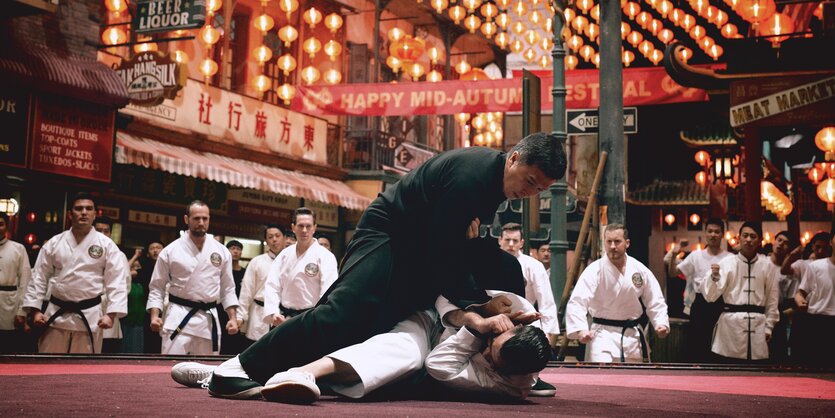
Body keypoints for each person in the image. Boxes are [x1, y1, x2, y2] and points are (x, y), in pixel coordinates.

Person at [203, 132, 565, 399]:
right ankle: (238, 368)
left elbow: (454, 243)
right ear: (515, 158)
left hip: (416, 248)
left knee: (505, 266)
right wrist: (475, 304)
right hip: (389, 232)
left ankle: (519, 361)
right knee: (346, 310)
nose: (530, 192)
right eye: (530, 181)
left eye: (540, 190)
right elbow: (444, 249)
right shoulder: (474, 174)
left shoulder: (494, 184)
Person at [22, 193, 128, 354]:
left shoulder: (107, 245)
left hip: (90, 316)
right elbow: (39, 277)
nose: (84, 212)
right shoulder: (55, 243)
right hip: (56, 314)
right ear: (70, 214)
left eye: (88, 209)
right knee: (49, 366)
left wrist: (111, 315)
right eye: (79, 209)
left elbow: (116, 281)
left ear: (95, 214)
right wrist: (35, 310)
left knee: (83, 370)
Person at [566, 224, 670, 363]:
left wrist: (660, 322)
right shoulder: (595, 270)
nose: (613, 246)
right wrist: (581, 330)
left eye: (617, 241)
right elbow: (578, 302)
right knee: (603, 379)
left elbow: (655, 299)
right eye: (609, 242)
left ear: (627, 243)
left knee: (632, 381)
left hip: (631, 336)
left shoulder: (639, 269)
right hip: (602, 336)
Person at [146, 200, 239, 355]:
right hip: (178, 316)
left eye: (205, 218)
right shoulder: (170, 251)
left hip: (208, 321)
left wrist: (233, 318)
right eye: (196, 218)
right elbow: (157, 286)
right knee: (170, 369)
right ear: (186, 219)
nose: (201, 222)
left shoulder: (222, 252)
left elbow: (228, 288)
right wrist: (155, 316)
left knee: (205, 373)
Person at [703, 222, 780, 362]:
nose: (749, 240)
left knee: (757, 377)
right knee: (730, 374)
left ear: (760, 241)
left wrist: (769, 326)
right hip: (730, 325)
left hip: (758, 324)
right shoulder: (726, 263)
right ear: (739, 238)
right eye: (745, 235)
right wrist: (714, 278)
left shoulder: (767, 266)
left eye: (753, 236)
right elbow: (710, 296)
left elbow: (772, 300)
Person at [664, 218, 730, 362]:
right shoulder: (696, 255)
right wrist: (674, 254)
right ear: (705, 233)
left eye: (717, 232)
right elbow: (673, 273)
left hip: (722, 303)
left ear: (722, 235)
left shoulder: (729, 258)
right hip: (700, 303)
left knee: (720, 345)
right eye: (710, 231)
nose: (713, 235)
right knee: (697, 345)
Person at [263, 208, 338, 327]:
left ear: (314, 227)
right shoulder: (284, 255)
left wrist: (319, 319)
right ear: (293, 227)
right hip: (282, 317)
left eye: (308, 226)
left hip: (310, 319)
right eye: (300, 226)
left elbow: (328, 292)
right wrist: (273, 312)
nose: (304, 230)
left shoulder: (326, 256)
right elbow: (272, 285)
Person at [497, 223, 559, 358]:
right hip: (497, 320)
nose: (511, 244)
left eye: (515, 241)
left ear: (522, 243)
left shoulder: (533, 265)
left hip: (528, 319)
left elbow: (545, 300)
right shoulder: (491, 263)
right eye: (507, 240)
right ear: (500, 240)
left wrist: (547, 331)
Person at [236, 224, 285, 350]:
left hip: (284, 313)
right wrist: (240, 317)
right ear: (266, 240)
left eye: (277, 236)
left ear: (284, 238)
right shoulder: (256, 262)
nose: (274, 239)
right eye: (270, 237)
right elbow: (246, 291)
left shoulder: (290, 261)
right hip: (259, 313)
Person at [792, 230, 835, 368]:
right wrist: (800, 301)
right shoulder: (816, 266)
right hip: (817, 323)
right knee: (814, 369)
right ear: (831, 242)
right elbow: (801, 293)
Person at [94, 216, 131, 353]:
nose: (103, 234)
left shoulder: (119, 255)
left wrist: (104, 300)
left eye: (106, 231)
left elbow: (125, 286)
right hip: (85, 307)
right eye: (99, 230)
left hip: (108, 308)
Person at [0, 213, 32, 353]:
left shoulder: (18, 248)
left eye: (0, 224)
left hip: (9, 303)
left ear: (7, 226)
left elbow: (25, 281)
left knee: (6, 345)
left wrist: (22, 311)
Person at [767, 231, 798, 362]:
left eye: (785, 243)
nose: (780, 244)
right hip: (761, 310)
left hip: (779, 312)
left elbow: (791, 297)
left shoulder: (790, 271)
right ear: (774, 241)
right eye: (779, 240)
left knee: (778, 354)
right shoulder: (763, 262)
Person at [219, 240, 246, 355]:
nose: (235, 251)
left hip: (239, 310)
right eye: (233, 248)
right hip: (222, 310)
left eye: (238, 249)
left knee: (236, 345)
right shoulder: (222, 271)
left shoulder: (245, 272)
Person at [137, 241, 163, 353]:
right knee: (149, 341)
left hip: (167, 307)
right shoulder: (144, 268)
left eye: (158, 248)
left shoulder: (171, 268)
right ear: (147, 253)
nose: (156, 250)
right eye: (152, 248)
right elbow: (126, 274)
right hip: (147, 308)